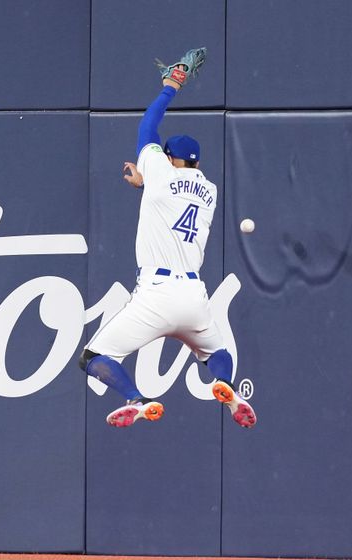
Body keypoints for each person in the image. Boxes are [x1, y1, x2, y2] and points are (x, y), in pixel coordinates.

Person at [78, 48, 256, 429]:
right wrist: (148, 183)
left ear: (169, 157)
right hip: (193, 298)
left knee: (94, 357)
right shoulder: (209, 189)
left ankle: (136, 399)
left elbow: (147, 129)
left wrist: (170, 87)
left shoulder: (159, 171)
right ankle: (226, 385)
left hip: (155, 294)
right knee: (216, 352)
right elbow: (173, 193)